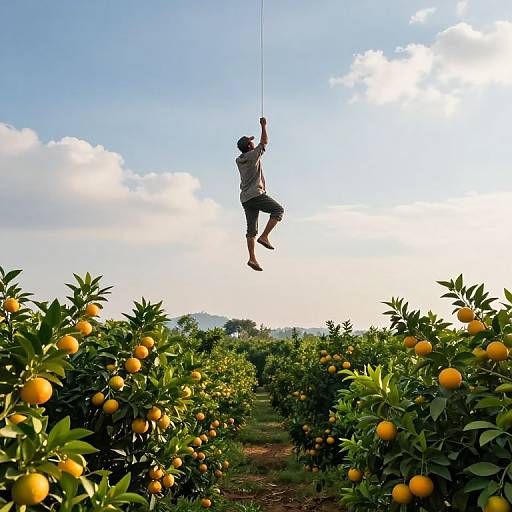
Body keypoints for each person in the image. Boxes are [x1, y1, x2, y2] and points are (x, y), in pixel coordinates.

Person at [235, 117, 284, 272]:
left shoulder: (239, 159)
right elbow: (264, 141)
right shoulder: (252, 155)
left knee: (250, 230)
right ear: (249, 146)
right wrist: (263, 125)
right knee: (278, 210)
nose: (253, 143)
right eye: (251, 142)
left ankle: (252, 258)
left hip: (245, 198)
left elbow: (256, 145)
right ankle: (264, 237)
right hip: (256, 194)